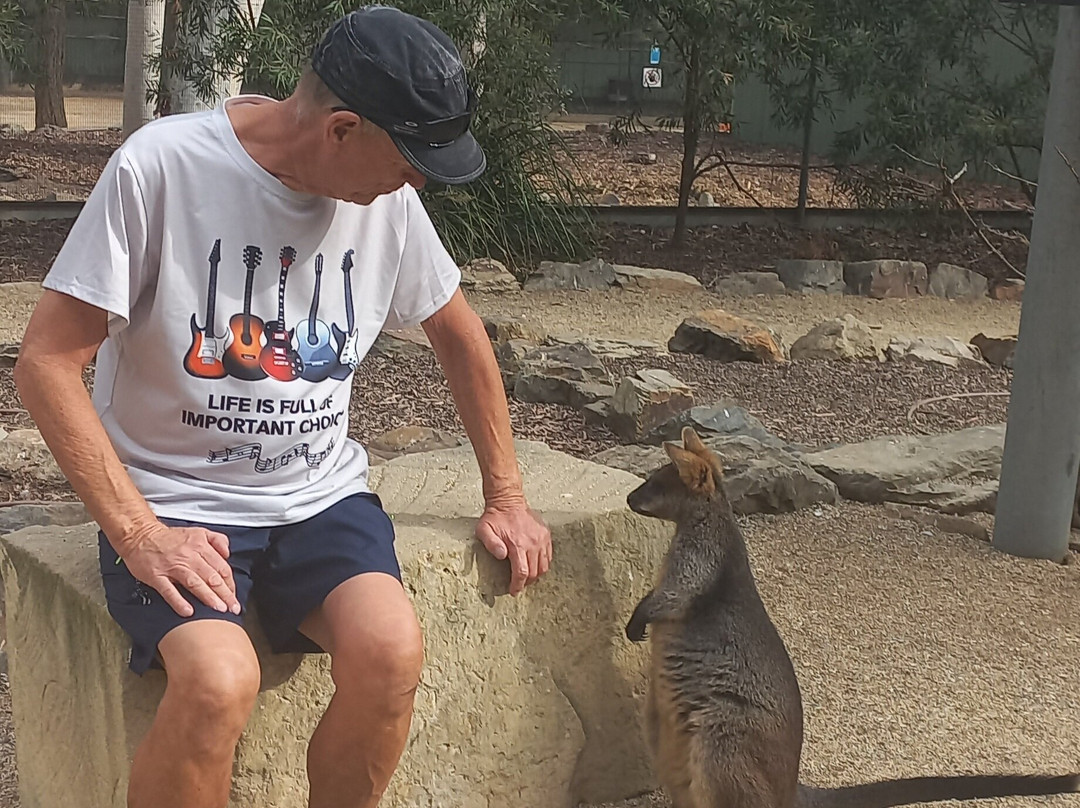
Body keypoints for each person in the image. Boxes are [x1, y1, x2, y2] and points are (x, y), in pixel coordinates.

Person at [14, 6, 552, 808]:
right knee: (218, 681)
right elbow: (47, 362)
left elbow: (459, 333)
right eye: (411, 161)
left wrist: (506, 494)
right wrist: (139, 534)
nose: (419, 183)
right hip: (174, 498)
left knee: (391, 654)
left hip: (317, 497)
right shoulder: (162, 170)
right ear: (341, 129)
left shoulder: (387, 203)